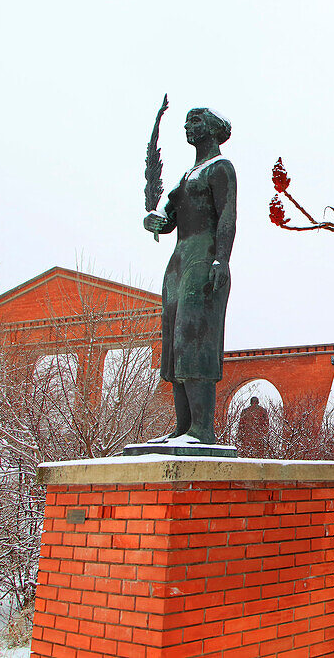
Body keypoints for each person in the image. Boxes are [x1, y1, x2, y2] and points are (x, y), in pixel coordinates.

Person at [143, 107, 236, 444]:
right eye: (186, 121)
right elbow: (166, 220)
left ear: (212, 129)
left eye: (196, 121)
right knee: (174, 347)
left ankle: (202, 430)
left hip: (204, 258)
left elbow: (227, 216)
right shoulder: (185, 177)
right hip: (178, 262)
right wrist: (151, 220)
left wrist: (221, 260)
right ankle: (183, 430)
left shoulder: (220, 168)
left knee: (193, 341)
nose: (187, 126)